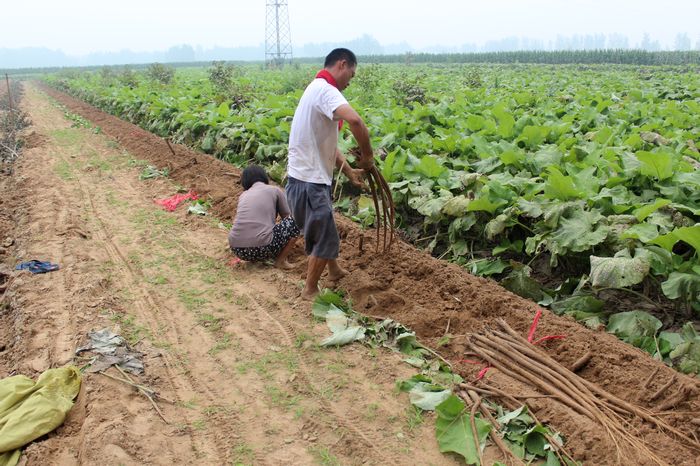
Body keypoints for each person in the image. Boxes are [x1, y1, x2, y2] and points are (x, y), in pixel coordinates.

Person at [285, 48, 375, 300]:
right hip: (309, 183)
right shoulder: (326, 90)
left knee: (324, 228)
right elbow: (356, 122)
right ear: (342, 64)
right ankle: (310, 290)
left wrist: (347, 171)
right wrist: (368, 157)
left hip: (303, 180)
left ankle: (334, 271)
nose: (349, 82)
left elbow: (327, 143)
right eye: (352, 75)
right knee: (324, 236)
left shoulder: (314, 88)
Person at [229, 165, 299, 269]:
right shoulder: (274, 190)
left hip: (237, 249)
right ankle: (281, 261)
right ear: (263, 177)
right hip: (262, 248)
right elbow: (287, 217)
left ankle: (257, 256)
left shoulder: (244, 195)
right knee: (296, 221)